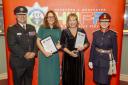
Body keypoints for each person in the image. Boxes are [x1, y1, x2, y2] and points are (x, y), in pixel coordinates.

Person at [7, 6, 37, 85]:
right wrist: (25, 54)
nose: (22, 16)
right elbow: (12, 45)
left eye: (24, 14)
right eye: (19, 14)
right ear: (16, 16)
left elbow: (35, 41)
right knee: (18, 83)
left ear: (26, 15)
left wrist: (34, 52)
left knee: (28, 82)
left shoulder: (32, 28)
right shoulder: (12, 29)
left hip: (30, 62)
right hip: (18, 63)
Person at [88, 13, 118, 85]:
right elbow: (93, 47)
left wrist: (115, 62)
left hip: (107, 62)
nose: (104, 23)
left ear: (109, 23)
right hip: (96, 61)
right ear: (99, 22)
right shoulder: (95, 34)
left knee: (106, 81)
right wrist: (90, 60)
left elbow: (115, 49)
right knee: (97, 80)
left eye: (106, 21)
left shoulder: (113, 34)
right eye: (102, 21)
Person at [60, 13, 89, 85]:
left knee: (78, 78)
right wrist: (70, 53)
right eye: (70, 20)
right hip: (68, 58)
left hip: (79, 58)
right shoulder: (64, 31)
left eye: (74, 20)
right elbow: (62, 45)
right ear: (67, 21)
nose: (72, 22)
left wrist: (83, 46)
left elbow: (87, 43)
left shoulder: (81, 30)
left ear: (77, 21)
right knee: (67, 78)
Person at [36, 10, 61, 85]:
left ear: (55, 18)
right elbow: (38, 41)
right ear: (46, 18)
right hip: (44, 55)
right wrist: (44, 52)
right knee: (44, 75)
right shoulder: (42, 27)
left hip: (54, 55)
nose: (51, 18)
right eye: (49, 17)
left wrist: (59, 46)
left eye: (52, 17)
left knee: (54, 74)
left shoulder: (58, 29)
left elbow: (60, 42)